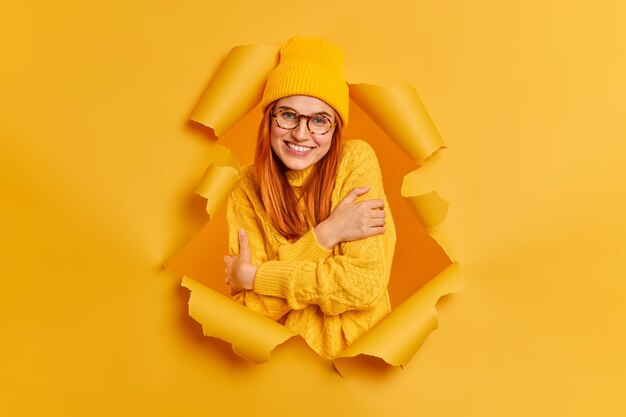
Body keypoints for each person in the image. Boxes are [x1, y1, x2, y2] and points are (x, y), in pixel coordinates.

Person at [223, 36, 396, 360]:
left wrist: (256, 277)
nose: (301, 134)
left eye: (319, 120)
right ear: (269, 118)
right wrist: (325, 236)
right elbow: (247, 315)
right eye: (288, 115)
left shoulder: (355, 161)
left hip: (360, 369)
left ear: (334, 128)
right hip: (284, 371)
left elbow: (362, 285)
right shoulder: (245, 188)